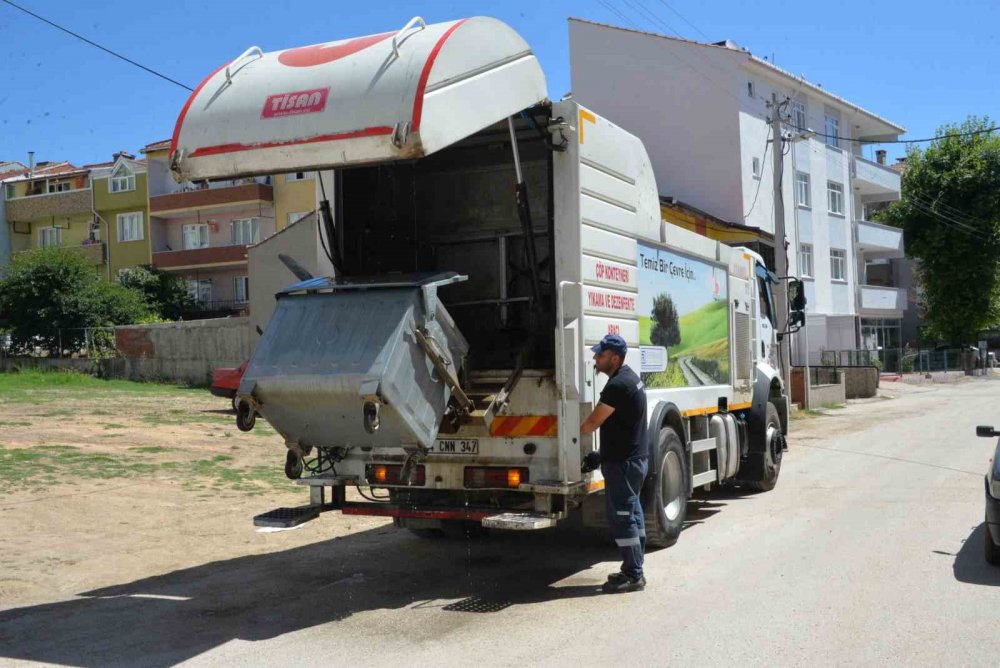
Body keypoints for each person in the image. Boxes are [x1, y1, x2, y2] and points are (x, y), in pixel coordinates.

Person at [580, 334, 649, 593]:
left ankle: (633, 574)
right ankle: (634, 567)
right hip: (632, 459)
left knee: (622, 517)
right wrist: (602, 455)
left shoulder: (618, 385)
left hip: (624, 464)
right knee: (633, 513)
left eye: (601, 355)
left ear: (615, 358)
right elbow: (622, 427)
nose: (596, 359)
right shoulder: (630, 378)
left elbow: (591, 424)